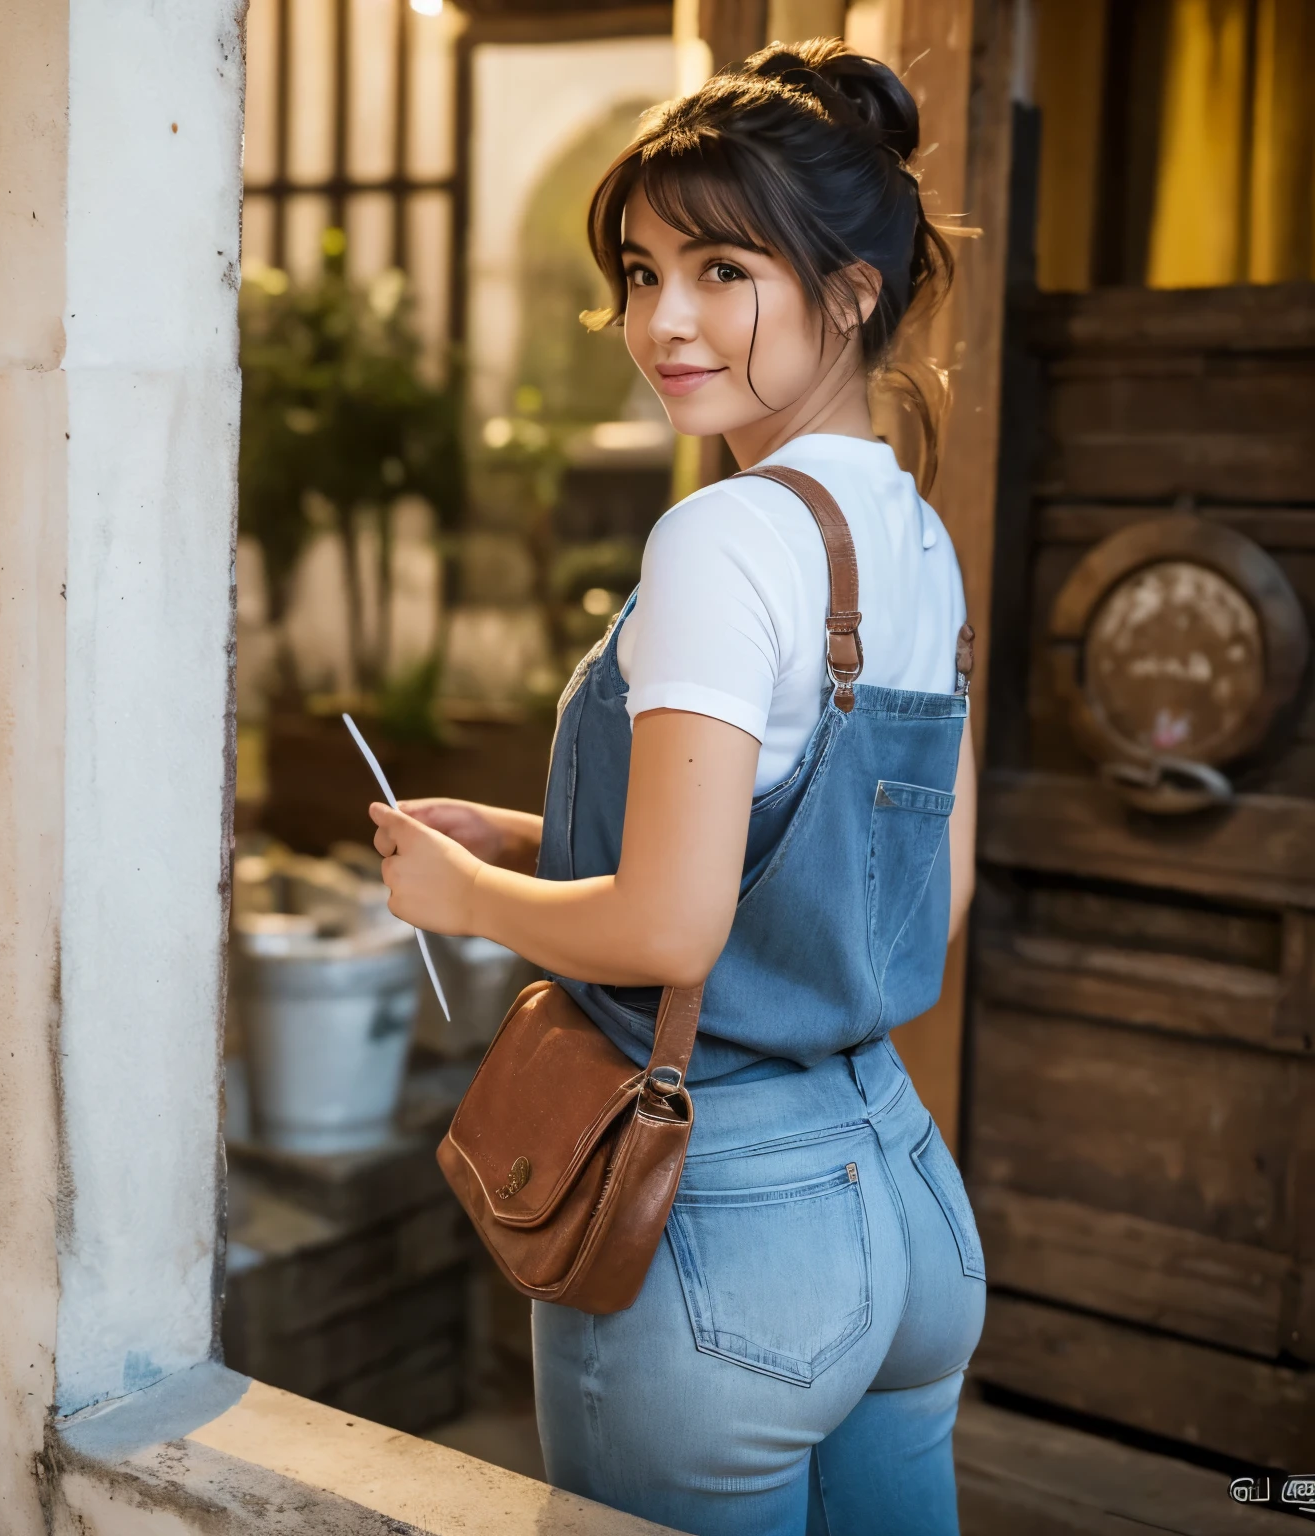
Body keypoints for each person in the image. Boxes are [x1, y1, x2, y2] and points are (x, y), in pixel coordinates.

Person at [369, 37, 985, 1536]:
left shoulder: (722, 540)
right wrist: (531, 837)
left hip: (722, 1218)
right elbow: (912, 890)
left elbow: (670, 936)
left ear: (850, 290)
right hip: (897, 1187)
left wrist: (467, 897)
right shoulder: (911, 532)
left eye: (722, 269)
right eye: (641, 273)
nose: (663, 320)